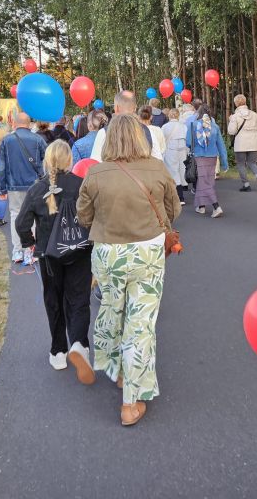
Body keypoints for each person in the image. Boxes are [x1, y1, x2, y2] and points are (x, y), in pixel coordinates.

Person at [76, 114, 181, 426]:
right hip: (147, 254)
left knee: (112, 312)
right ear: (139, 137)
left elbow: (84, 217)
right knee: (141, 325)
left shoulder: (96, 173)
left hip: (108, 254)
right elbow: (173, 210)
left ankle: (116, 369)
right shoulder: (157, 168)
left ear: (108, 139)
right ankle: (131, 401)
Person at [15, 139, 94, 379]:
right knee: (79, 299)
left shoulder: (37, 189)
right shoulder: (82, 185)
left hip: (48, 254)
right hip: (80, 250)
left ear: (47, 160)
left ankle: (58, 351)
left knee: (54, 300)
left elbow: (21, 223)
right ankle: (79, 343)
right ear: (70, 160)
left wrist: (30, 243)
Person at [0, 111, 48, 265]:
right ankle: (30, 250)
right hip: (35, 185)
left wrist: (1, 189)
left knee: (15, 215)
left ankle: (17, 250)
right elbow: (47, 161)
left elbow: (0, 167)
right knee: (34, 216)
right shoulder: (38, 139)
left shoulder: (6, 140)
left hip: (14, 185)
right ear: (29, 123)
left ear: (15, 123)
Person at [90, 91, 162, 161]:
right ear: (135, 108)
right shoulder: (148, 131)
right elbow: (159, 161)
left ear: (116, 108)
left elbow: (95, 162)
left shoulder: (104, 133)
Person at [185, 105, 229, 217]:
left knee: (204, 182)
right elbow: (221, 145)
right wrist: (225, 163)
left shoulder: (193, 125)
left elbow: (188, 142)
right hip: (212, 157)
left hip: (199, 156)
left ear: (198, 113)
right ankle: (201, 206)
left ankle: (216, 207)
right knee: (206, 181)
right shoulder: (215, 127)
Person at [227, 94, 257, 192]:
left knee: (241, 164)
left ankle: (246, 185)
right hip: (254, 143)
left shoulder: (235, 116)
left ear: (236, 104)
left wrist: (231, 120)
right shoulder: (254, 114)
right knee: (252, 162)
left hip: (241, 144)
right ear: (245, 102)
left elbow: (231, 131)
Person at [160, 108, 188, 205]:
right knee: (182, 170)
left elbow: (162, 140)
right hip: (182, 150)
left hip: (170, 150)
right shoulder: (183, 126)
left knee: (173, 171)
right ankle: (181, 194)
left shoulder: (165, 127)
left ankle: (179, 197)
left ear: (169, 116)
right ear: (178, 115)